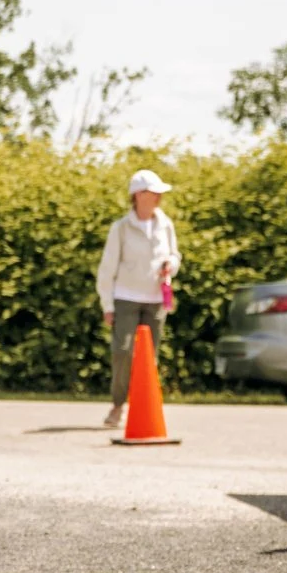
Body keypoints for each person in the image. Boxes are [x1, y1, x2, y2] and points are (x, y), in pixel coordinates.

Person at [96, 168, 180, 429]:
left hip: (155, 299)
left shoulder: (165, 224)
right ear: (139, 195)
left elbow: (175, 256)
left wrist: (170, 266)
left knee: (149, 356)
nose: (158, 198)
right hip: (126, 297)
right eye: (154, 193)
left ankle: (144, 405)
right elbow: (107, 268)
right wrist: (107, 305)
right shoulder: (120, 228)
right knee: (122, 352)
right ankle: (118, 405)